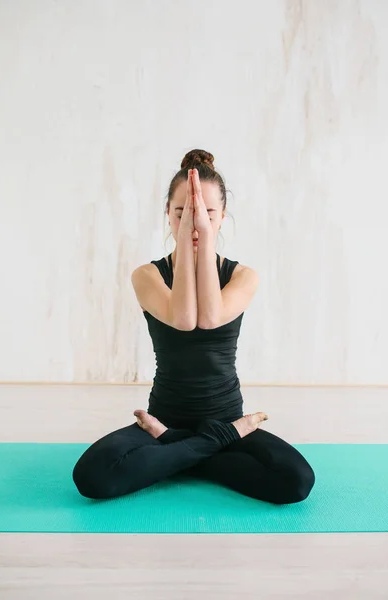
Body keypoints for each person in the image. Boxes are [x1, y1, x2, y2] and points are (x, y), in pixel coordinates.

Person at [72, 149, 316, 504]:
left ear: (221, 218)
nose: (193, 220)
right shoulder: (148, 275)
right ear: (167, 216)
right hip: (166, 419)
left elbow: (210, 318)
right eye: (181, 212)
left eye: (205, 212)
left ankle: (177, 454)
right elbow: (184, 319)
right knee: (91, 476)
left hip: (225, 416)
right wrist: (188, 241)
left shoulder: (243, 276)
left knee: (297, 481)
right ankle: (198, 447)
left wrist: (202, 237)